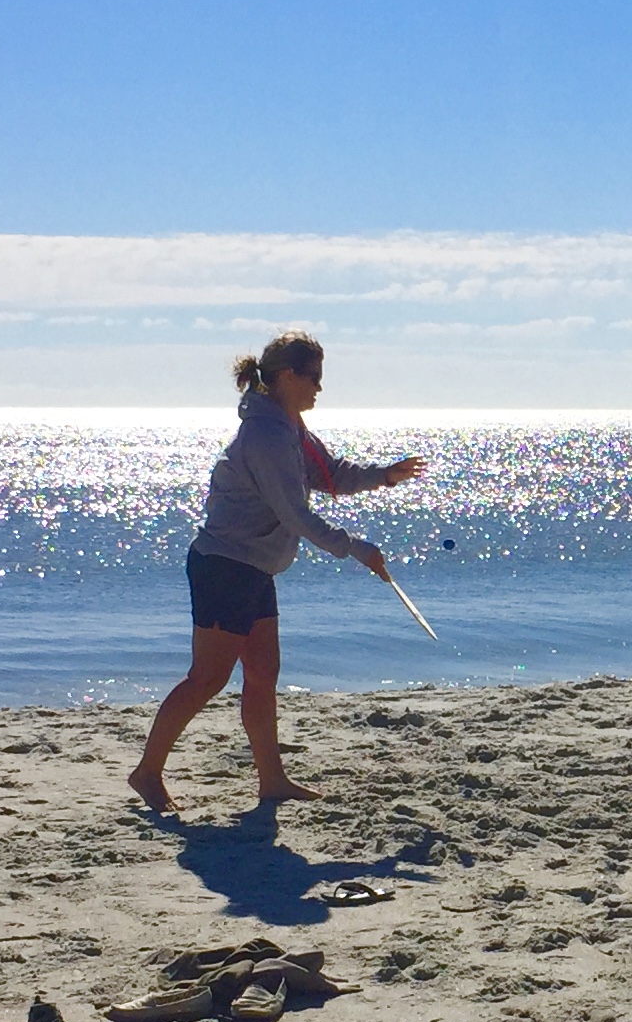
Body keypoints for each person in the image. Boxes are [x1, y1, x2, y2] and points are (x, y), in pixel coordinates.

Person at [125, 330, 424, 814]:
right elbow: (295, 514)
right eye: (314, 379)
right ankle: (147, 772)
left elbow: (332, 475)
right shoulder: (266, 434)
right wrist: (357, 549)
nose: (319, 390)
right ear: (288, 376)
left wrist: (385, 476)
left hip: (255, 567)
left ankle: (272, 780)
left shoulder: (289, 427)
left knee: (263, 674)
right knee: (207, 678)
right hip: (224, 565)